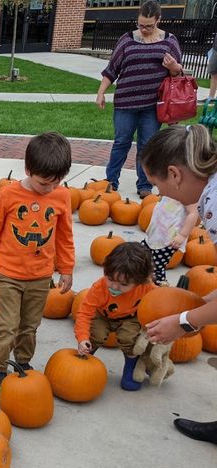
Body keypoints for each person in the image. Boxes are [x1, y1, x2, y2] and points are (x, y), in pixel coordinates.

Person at [0, 132, 75, 399]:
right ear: (28, 170)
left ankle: (22, 361)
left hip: (41, 276)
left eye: (55, 183)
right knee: (7, 325)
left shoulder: (61, 197)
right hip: (9, 273)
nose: (48, 189)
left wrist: (66, 269)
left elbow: (65, 236)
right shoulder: (9, 195)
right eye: (43, 183)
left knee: (29, 326)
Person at [143, 124, 217, 443]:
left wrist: (184, 322)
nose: (160, 195)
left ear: (174, 174)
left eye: (157, 186)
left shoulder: (213, 202)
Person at [95, 0, 183, 199]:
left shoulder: (169, 41)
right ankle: (111, 182)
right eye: (140, 24)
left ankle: (144, 185)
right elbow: (112, 69)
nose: (143, 29)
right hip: (125, 103)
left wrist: (173, 68)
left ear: (158, 20)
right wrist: (101, 92)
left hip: (152, 106)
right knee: (121, 142)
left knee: (147, 145)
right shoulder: (126, 40)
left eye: (149, 25)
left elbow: (179, 73)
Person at [75, 242, 155, 391]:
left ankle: (130, 369)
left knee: (129, 339)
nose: (114, 287)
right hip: (102, 315)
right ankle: (83, 360)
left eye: (123, 284)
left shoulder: (147, 287)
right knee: (94, 334)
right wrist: (82, 338)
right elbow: (84, 313)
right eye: (110, 279)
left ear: (140, 281)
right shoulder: (99, 288)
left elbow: (160, 302)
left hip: (130, 317)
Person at [141, 193, 199, 285]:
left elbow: (193, 214)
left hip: (169, 239)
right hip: (154, 234)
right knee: (140, 257)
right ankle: (142, 280)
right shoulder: (171, 188)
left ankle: (159, 285)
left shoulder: (188, 194)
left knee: (157, 266)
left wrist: (182, 235)